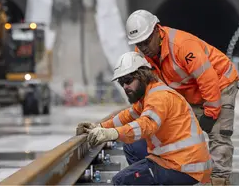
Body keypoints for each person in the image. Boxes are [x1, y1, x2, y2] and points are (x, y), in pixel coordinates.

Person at [125, 9, 239, 185]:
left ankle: (219, 181)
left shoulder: (182, 45)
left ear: (157, 30)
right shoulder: (142, 55)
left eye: (147, 41)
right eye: (139, 44)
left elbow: (208, 80)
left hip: (220, 83)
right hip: (190, 92)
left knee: (218, 135)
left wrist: (210, 113)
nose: (144, 48)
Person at [76, 52, 212, 185]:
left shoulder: (158, 97)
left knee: (121, 181)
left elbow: (146, 125)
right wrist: (100, 127)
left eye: (128, 81)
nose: (125, 87)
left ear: (142, 76)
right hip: (180, 159)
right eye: (121, 82)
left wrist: (113, 133)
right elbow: (127, 116)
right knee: (130, 145)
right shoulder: (147, 95)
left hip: (184, 167)